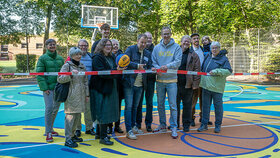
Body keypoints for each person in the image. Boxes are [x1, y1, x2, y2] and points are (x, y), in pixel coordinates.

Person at [89, 38, 123, 145]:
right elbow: (102, 73)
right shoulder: (97, 58)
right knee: (103, 112)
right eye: (106, 45)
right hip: (100, 88)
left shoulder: (111, 57)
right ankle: (103, 137)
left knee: (106, 111)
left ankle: (99, 133)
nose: (108, 47)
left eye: (110, 45)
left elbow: (114, 69)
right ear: (101, 46)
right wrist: (116, 73)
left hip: (110, 87)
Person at [151, 26, 182, 139]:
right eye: (164, 34)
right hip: (159, 81)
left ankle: (173, 127)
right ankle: (162, 125)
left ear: (171, 34)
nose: (166, 36)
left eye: (168, 33)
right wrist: (158, 69)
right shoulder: (156, 48)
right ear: (161, 35)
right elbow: (153, 61)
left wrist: (166, 67)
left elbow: (178, 62)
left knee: (173, 105)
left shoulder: (177, 47)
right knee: (160, 104)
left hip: (172, 80)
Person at [197, 41, 232, 133]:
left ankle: (218, 125)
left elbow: (228, 71)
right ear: (210, 49)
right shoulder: (208, 56)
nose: (214, 49)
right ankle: (204, 124)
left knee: (218, 107)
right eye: (213, 48)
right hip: (206, 87)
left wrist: (217, 71)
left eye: (216, 48)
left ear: (219, 48)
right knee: (205, 107)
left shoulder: (223, 59)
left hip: (217, 88)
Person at [57, 47, 88, 148]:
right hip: (71, 95)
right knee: (70, 117)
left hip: (81, 95)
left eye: (79, 54)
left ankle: (73, 135)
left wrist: (87, 94)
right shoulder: (67, 66)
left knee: (77, 117)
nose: (78, 56)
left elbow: (85, 81)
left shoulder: (82, 66)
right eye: (76, 54)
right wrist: (70, 75)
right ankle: (68, 138)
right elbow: (60, 79)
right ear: (71, 56)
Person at [123, 34, 152, 140]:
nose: (143, 44)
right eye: (142, 42)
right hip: (129, 84)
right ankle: (128, 130)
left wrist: (153, 69)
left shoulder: (148, 53)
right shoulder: (130, 49)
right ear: (137, 41)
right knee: (129, 107)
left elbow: (149, 66)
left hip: (140, 84)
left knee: (135, 107)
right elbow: (124, 62)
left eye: (145, 42)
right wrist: (136, 66)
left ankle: (133, 126)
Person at [36, 39, 64, 142]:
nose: (52, 46)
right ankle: (48, 132)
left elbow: (63, 73)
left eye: (54, 44)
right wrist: (44, 88)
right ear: (46, 46)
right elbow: (39, 74)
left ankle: (51, 128)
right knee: (49, 108)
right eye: (50, 44)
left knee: (55, 108)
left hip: (58, 88)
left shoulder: (60, 59)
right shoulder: (42, 58)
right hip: (48, 89)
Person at [176, 35, 200, 132]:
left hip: (188, 85)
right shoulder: (175, 52)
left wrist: (195, 84)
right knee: (175, 106)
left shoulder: (194, 55)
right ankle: (175, 124)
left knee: (187, 106)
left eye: (188, 41)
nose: (186, 43)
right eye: (184, 41)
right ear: (181, 42)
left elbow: (197, 69)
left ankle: (186, 125)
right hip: (175, 84)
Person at [74, 39, 95, 137]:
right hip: (77, 87)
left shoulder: (91, 56)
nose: (83, 47)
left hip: (89, 86)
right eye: (81, 46)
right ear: (78, 46)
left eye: (85, 45)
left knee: (88, 109)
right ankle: (77, 129)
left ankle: (89, 128)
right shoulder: (73, 58)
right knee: (78, 109)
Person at [190, 33, 212, 126]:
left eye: (198, 38)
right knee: (193, 100)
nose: (196, 40)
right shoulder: (190, 50)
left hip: (204, 78)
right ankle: (191, 118)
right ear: (191, 40)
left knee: (204, 100)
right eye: (194, 38)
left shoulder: (203, 50)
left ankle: (203, 118)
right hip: (194, 79)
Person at [136, 31, 156, 132]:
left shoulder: (155, 50)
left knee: (149, 103)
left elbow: (155, 64)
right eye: (146, 38)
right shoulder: (138, 50)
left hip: (151, 80)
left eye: (150, 38)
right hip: (140, 80)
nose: (148, 41)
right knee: (139, 102)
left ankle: (148, 123)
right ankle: (138, 122)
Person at [107, 39, 124, 134]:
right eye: (113, 44)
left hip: (120, 84)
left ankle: (117, 125)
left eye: (117, 44)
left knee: (118, 106)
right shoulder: (108, 56)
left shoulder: (123, 55)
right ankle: (109, 126)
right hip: (111, 83)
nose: (115, 46)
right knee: (110, 106)